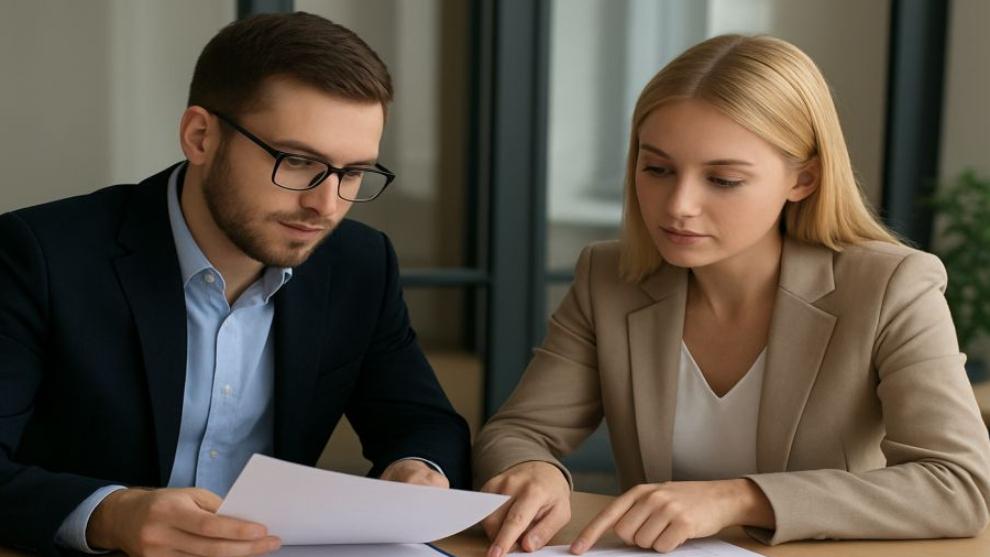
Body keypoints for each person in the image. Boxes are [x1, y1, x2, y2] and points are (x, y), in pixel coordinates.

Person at [473, 34, 990, 556]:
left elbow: (958, 485)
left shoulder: (892, 285)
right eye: (657, 169)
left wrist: (739, 498)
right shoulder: (608, 277)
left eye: (722, 180)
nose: (679, 204)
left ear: (804, 179)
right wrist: (530, 468)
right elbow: (517, 432)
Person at [0, 12, 470, 557]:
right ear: (200, 137)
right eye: (298, 161)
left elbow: (423, 423)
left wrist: (416, 468)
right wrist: (109, 515)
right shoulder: (39, 255)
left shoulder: (358, 264)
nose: (326, 204)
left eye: (353, 172)